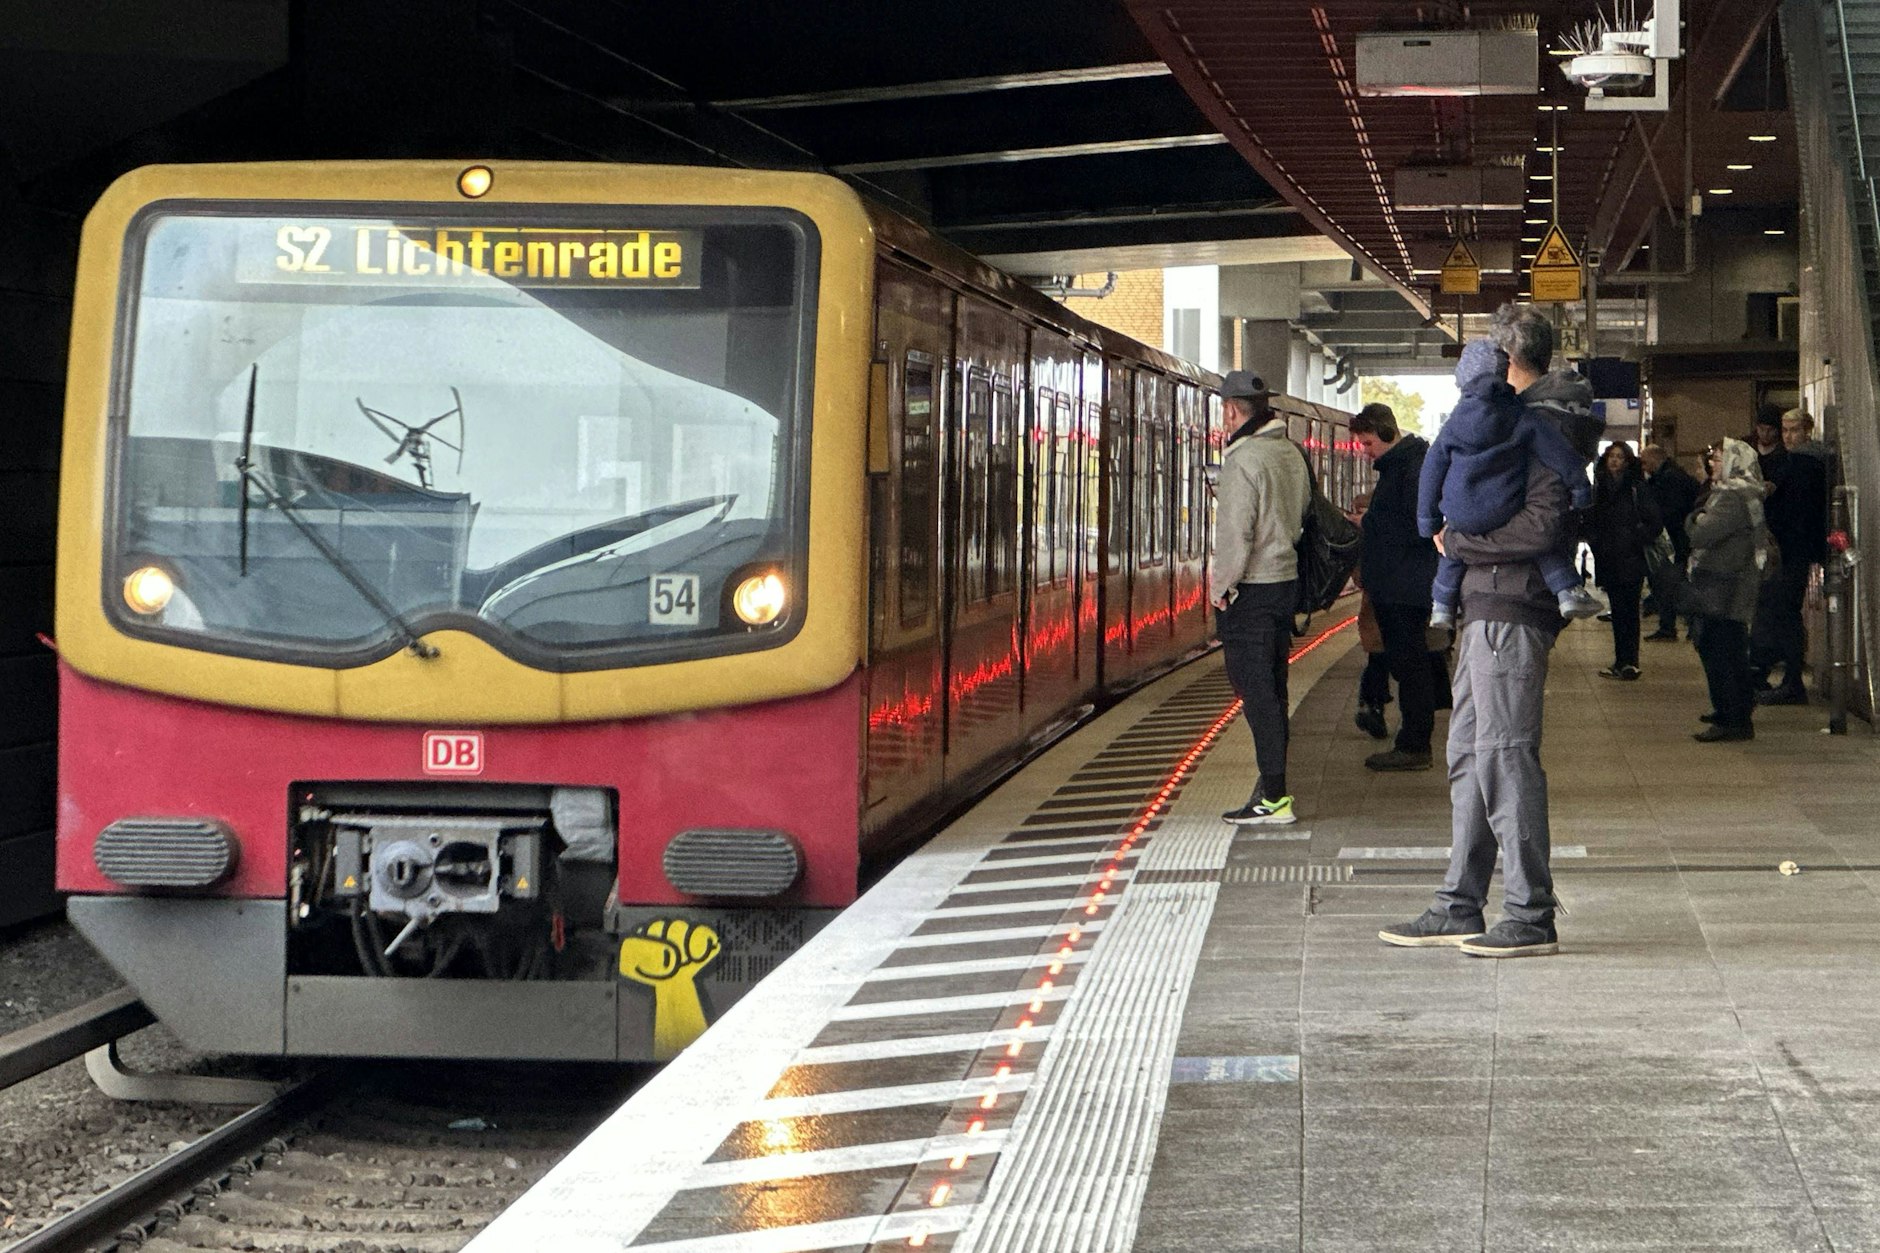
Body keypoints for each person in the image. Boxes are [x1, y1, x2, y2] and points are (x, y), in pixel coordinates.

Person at [1379, 303, 1589, 958]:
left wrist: (1461, 541)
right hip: (1483, 605)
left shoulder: (1546, 422)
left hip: (1513, 605)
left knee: (1504, 754)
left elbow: (1545, 525)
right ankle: (1459, 901)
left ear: (1507, 359)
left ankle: (1529, 911)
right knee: (1468, 752)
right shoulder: (1505, 422)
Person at [1417, 338, 1600, 630]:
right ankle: (1567, 591)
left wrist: (1428, 523)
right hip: (1504, 505)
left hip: (1461, 513)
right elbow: (1559, 453)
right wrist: (1580, 489)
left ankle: (1442, 607)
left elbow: (1431, 471)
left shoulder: (1452, 425)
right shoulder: (1521, 416)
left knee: (1451, 550)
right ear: (1504, 374)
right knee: (1542, 546)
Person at [1211, 370, 1310, 825]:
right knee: (1274, 690)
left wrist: (1219, 590)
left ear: (1231, 410)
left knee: (1258, 697)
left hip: (1251, 591)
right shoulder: (1291, 453)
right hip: (1284, 585)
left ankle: (1275, 797)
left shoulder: (1243, 460)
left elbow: (1236, 535)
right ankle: (1276, 790)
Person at [1350, 403, 1449, 772]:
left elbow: (1414, 526)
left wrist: (1369, 522)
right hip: (1401, 581)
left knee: (1411, 666)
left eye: (1368, 442)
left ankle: (1414, 744)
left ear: (1387, 434)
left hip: (1405, 584)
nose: (1366, 450)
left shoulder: (1410, 468)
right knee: (1410, 664)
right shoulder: (1405, 465)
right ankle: (1412, 739)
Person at [1686, 439, 1769, 741]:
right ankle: (1731, 710)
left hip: (1725, 583)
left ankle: (1732, 717)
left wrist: (1694, 518)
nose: (1712, 464)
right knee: (1729, 648)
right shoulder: (1742, 490)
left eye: (1719, 459)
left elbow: (1702, 534)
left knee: (1721, 650)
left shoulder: (1733, 496)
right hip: (1731, 580)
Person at [1751, 408, 1830, 704]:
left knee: (1783, 611)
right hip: (1801, 547)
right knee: (1783, 611)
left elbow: (1790, 508)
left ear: (1807, 430)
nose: (1788, 436)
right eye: (1785, 430)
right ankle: (1787, 676)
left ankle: (1790, 679)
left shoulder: (1802, 463)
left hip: (1793, 548)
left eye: (1794, 430)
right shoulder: (1809, 461)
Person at [1587, 442, 1662, 680]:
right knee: (1619, 612)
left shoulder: (1636, 488)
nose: (1615, 461)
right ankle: (1623, 660)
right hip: (1609, 558)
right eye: (1611, 456)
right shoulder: (1599, 489)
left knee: (1628, 611)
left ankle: (1629, 660)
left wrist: (1633, 537)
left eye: (1620, 457)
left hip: (1630, 558)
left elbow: (1654, 523)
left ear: (1628, 462)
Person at [1639, 444, 1702, 641]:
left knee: (1670, 585)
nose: (1643, 466)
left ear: (1654, 460)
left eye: (1645, 461)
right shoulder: (1672, 475)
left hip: (1674, 541)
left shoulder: (1668, 479)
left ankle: (1673, 626)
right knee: (1672, 584)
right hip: (1678, 539)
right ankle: (1675, 625)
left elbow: (1670, 511)